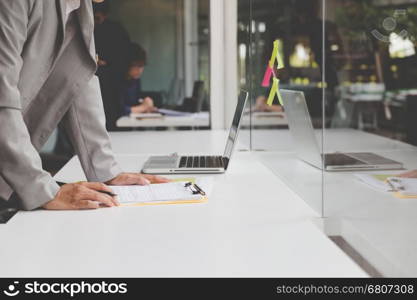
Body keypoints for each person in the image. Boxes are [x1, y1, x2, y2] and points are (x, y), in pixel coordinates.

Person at [0, 0, 168, 211]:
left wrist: (107, 172)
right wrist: (43, 189)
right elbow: (2, 95)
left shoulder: (80, 7)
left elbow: (80, 80)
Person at [93, 0, 131, 130]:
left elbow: (125, 58)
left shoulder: (116, 31)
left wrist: (105, 62)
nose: (95, 22)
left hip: (111, 84)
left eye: (98, 17)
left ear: (105, 15)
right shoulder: (86, 28)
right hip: (92, 83)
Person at [121, 43, 158, 116]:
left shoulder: (135, 80)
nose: (140, 70)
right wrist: (143, 107)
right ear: (127, 64)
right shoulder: (117, 82)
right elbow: (119, 111)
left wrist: (146, 107)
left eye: (142, 66)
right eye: (136, 66)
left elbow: (134, 105)